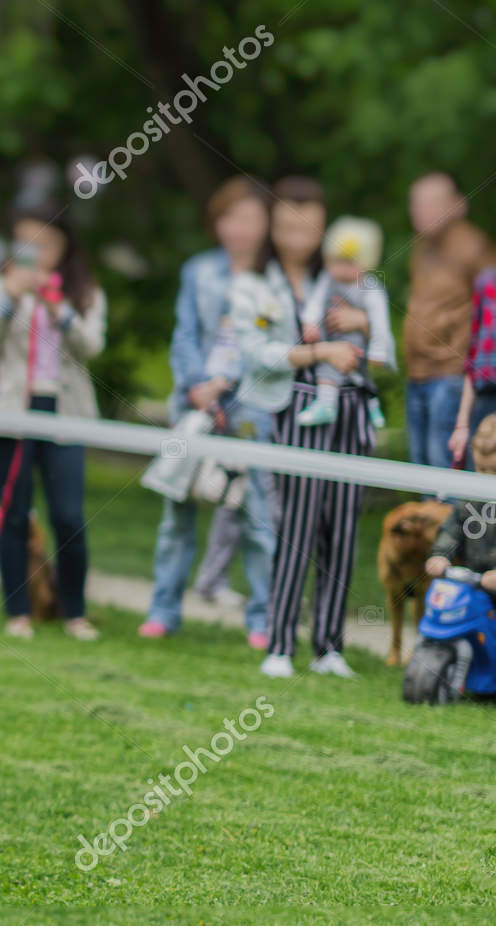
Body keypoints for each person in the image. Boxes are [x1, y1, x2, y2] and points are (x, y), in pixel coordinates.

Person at [228, 178, 371, 678]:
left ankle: (330, 647)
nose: (297, 232)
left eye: (307, 222)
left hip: (350, 409)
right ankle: (281, 644)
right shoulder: (253, 282)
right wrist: (318, 352)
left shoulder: (344, 276)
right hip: (293, 411)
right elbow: (255, 354)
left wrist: (365, 323)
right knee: (296, 528)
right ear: (272, 223)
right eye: (287, 220)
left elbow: (377, 335)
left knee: (344, 526)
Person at [142, 177, 278, 643]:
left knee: (256, 515)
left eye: (251, 219)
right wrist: (198, 385)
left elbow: (274, 344)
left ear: (266, 226)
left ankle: (261, 620)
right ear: (217, 222)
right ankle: (163, 611)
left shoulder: (274, 278)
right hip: (194, 404)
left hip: (249, 408)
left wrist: (230, 384)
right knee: (176, 510)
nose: (240, 229)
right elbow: (183, 336)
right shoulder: (198, 270)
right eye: (231, 218)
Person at [0, 205, 106, 641]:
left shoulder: (84, 291)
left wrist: (61, 310)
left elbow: (91, 347)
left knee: (68, 515)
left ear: (63, 246)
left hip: (65, 412)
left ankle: (74, 611)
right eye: (26, 241)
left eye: (46, 242)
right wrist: (11, 298)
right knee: (13, 513)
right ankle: (18, 610)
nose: (36, 251)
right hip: (13, 410)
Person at [403, 172, 495, 470]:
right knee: (421, 465)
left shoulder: (474, 247)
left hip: (451, 375)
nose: (422, 210)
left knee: (445, 469)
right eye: (416, 203)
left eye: (433, 203)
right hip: (417, 374)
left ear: (458, 205)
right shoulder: (420, 246)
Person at [296, 217, 392, 429]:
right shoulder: (326, 280)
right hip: (330, 336)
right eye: (336, 262)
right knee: (331, 366)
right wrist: (310, 323)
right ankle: (334, 404)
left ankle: (359, 406)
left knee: (358, 372)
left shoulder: (370, 287)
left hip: (357, 341)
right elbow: (315, 303)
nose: (341, 269)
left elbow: (380, 322)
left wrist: (378, 350)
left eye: (349, 263)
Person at [426, 416, 496, 587]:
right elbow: (452, 530)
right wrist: (440, 555)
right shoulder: (470, 502)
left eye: (494, 471)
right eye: (481, 469)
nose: (486, 477)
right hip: (475, 588)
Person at [448, 265, 496, 467]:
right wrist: (462, 424)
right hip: (484, 401)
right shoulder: (487, 282)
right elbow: (473, 358)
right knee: (480, 490)